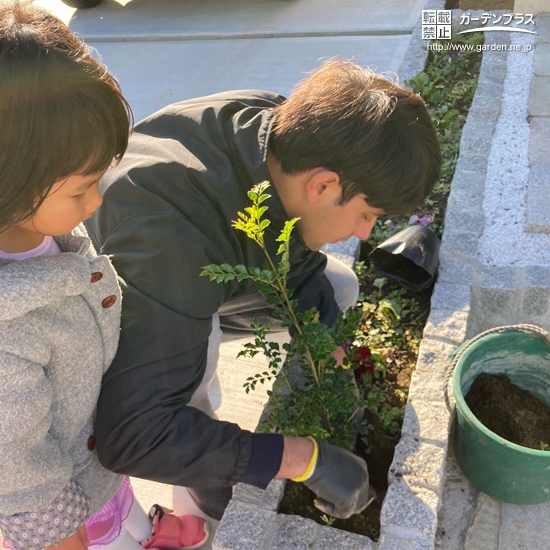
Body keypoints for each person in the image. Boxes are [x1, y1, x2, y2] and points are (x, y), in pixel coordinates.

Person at [87, 60, 442, 521]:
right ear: (324, 185)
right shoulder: (168, 245)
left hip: (183, 268)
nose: (363, 233)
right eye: (367, 214)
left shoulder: (283, 132)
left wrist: (329, 349)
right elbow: (133, 436)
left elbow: (295, 251)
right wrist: (302, 458)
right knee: (196, 363)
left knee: (338, 285)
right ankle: (203, 480)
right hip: (130, 291)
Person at [0, 3, 209, 550]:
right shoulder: (6, 337)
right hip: (66, 519)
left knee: (125, 515)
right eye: (80, 189)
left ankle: (139, 523)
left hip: (94, 460)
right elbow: (26, 490)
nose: (96, 202)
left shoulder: (42, 232)